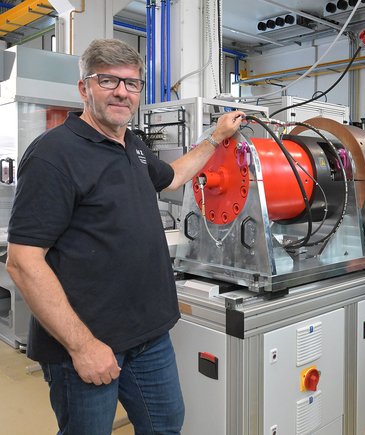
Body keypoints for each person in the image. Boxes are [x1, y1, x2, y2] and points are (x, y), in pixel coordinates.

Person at [5, 38, 244, 435]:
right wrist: (83, 347)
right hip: (86, 344)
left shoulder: (131, 145)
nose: (122, 91)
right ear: (84, 88)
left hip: (149, 338)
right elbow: (23, 261)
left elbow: (173, 178)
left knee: (165, 427)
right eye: (108, 81)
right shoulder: (53, 155)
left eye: (132, 84)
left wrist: (215, 138)